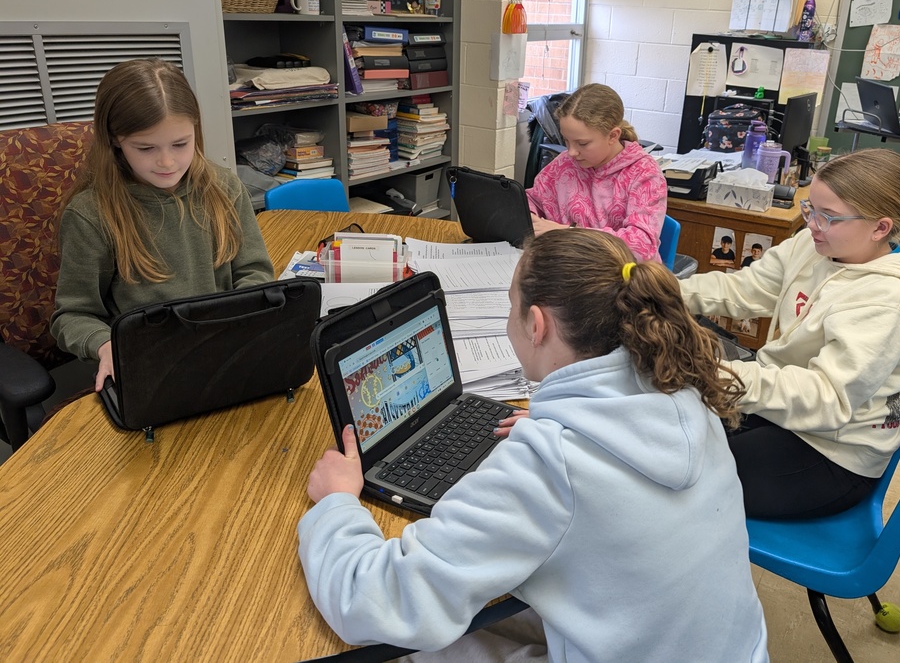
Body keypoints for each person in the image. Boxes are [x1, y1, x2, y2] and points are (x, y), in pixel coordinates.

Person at [299, 229, 768, 662]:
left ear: (536, 324)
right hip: (732, 649)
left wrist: (338, 502)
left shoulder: (549, 465)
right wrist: (558, 424)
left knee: (413, 648)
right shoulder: (682, 389)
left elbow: (376, 600)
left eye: (511, 305)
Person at [679, 148, 900, 519]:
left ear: (880, 227)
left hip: (833, 454)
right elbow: (745, 290)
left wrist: (722, 375)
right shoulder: (818, 245)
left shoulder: (889, 301)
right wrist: (664, 291)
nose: (812, 224)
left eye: (828, 217)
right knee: (675, 434)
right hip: (789, 411)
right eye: (811, 209)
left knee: (678, 478)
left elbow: (828, 399)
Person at [51, 58, 274, 392]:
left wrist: (244, 318)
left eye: (181, 144)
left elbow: (254, 273)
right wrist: (104, 344)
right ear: (115, 140)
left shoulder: (223, 188)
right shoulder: (92, 215)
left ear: (195, 130)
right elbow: (72, 315)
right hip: (149, 364)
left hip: (225, 351)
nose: (168, 162)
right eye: (146, 148)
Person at [526, 83, 667, 262]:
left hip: (622, 277)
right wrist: (529, 218)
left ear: (613, 136)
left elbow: (641, 245)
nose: (571, 152)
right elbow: (532, 200)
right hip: (568, 268)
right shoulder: (565, 163)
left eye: (582, 143)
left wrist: (567, 233)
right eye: (566, 140)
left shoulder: (644, 174)